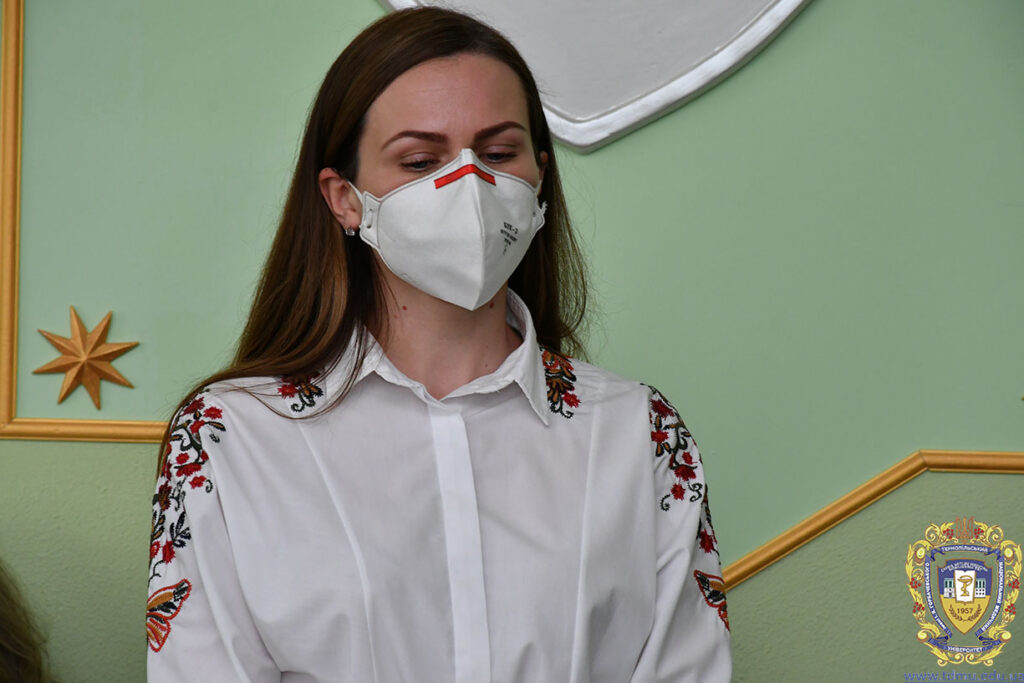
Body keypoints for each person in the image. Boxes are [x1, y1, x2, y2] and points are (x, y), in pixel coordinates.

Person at [147, 7, 731, 682]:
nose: (468, 186)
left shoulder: (641, 433)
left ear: (540, 178)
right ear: (343, 198)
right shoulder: (228, 438)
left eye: (499, 153)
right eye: (421, 160)